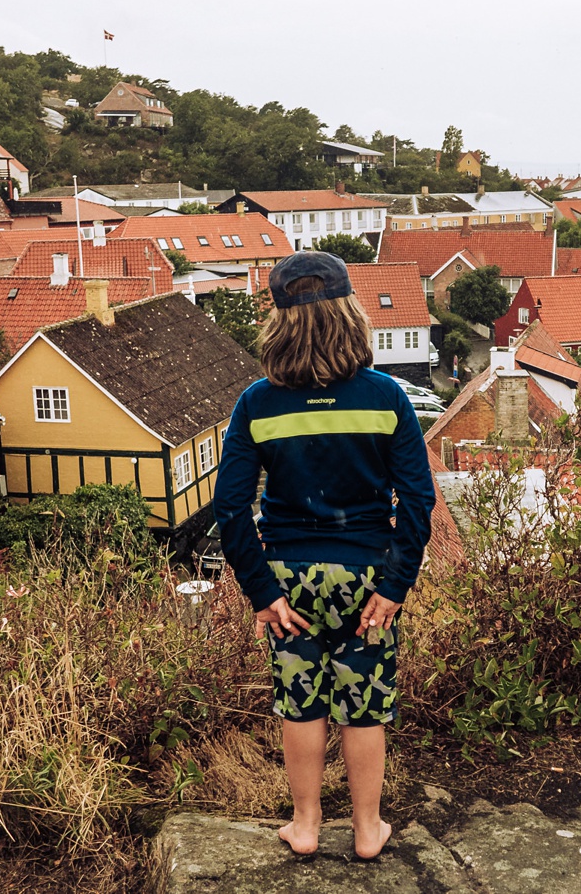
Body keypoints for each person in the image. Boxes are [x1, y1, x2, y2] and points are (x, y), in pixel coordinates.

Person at [214, 251, 434, 860]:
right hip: (368, 572)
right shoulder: (386, 395)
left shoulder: (257, 403)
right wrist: (394, 586)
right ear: (351, 315)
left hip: (289, 576)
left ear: (278, 323)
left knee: (300, 698)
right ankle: (368, 829)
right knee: (363, 703)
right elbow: (418, 499)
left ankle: (306, 825)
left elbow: (230, 508)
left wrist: (262, 593)